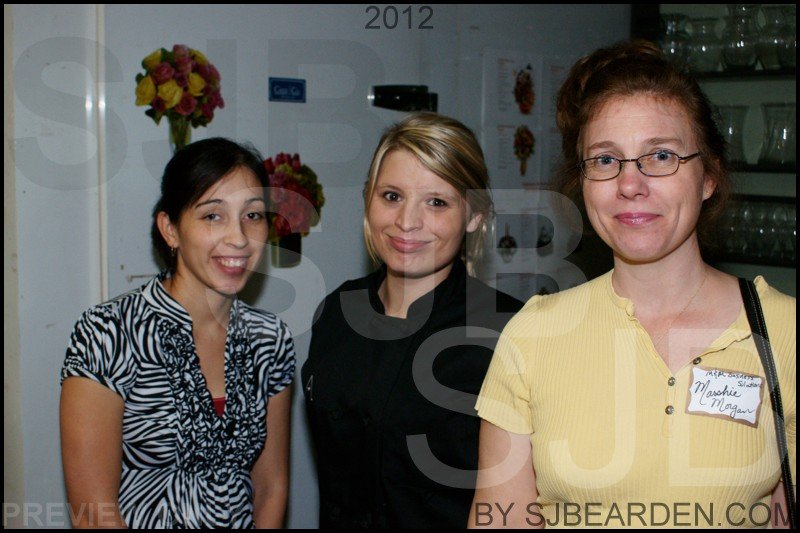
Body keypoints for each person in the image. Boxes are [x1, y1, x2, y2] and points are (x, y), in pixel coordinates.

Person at [471, 40, 796, 529]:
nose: (629, 184)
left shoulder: (784, 331)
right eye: (605, 160)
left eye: (661, 155)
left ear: (708, 176)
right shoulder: (533, 336)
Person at [60, 138, 295, 528]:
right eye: (213, 216)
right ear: (170, 229)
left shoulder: (270, 339)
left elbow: (271, 486)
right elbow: (93, 513)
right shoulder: (107, 333)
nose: (239, 237)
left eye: (253, 215)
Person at [302, 112, 523, 528]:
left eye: (436, 202)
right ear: (368, 199)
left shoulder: (510, 331)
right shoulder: (337, 313)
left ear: (474, 216)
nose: (406, 221)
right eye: (392, 196)